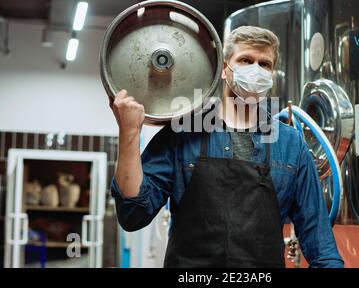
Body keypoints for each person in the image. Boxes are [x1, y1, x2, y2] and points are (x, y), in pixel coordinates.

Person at [109, 26, 344, 268]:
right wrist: (129, 132)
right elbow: (133, 214)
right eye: (245, 60)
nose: (256, 70)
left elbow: (321, 247)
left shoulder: (290, 144)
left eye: (265, 64)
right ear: (224, 70)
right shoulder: (183, 132)